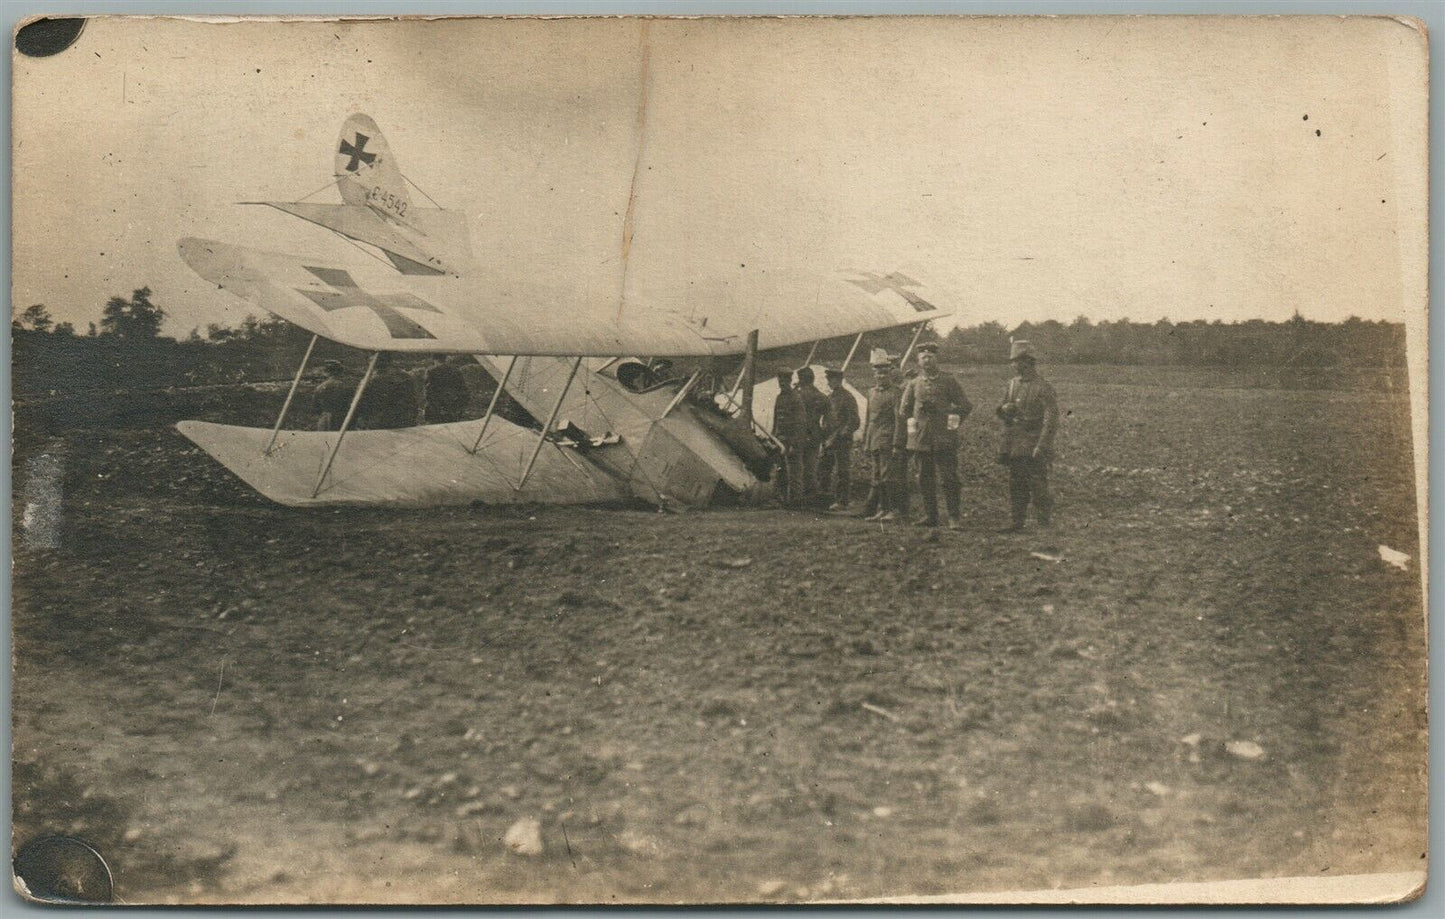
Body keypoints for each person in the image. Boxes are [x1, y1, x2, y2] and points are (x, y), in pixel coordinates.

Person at [896, 340, 972, 528]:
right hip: (921, 440)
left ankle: (954, 517)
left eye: (930, 357)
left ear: (936, 359)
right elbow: (904, 411)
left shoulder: (948, 381)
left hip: (944, 439)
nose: (927, 361)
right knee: (924, 478)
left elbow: (965, 406)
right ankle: (931, 516)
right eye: (923, 358)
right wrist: (914, 429)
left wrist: (950, 424)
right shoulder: (914, 384)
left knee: (949, 479)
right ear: (918, 361)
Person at [996, 340, 1059, 532]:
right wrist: (1004, 409)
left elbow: (1051, 420)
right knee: (1016, 484)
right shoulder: (1012, 384)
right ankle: (1017, 522)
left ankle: (1043, 524)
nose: (1013, 365)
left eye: (1016, 361)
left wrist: (1042, 446)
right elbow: (1001, 410)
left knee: (1038, 484)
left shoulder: (1043, 387)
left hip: (1033, 444)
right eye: (1013, 361)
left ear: (1027, 362)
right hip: (1014, 443)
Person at [860, 349, 908, 521]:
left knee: (888, 476)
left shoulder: (895, 393)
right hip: (874, 439)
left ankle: (893, 510)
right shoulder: (871, 392)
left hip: (888, 439)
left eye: (884, 373)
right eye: (878, 373)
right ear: (874, 374)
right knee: (877, 476)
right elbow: (868, 419)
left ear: (889, 374)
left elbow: (899, 420)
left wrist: (897, 443)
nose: (881, 376)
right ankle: (882, 508)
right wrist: (866, 442)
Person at [819, 367, 860, 511]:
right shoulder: (830, 397)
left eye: (833, 380)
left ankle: (843, 500)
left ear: (839, 380)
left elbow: (854, 421)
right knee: (825, 468)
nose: (830, 382)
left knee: (842, 471)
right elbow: (827, 420)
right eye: (829, 380)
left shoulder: (848, 397)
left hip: (842, 441)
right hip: (829, 440)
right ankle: (825, 498)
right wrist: (824, 437)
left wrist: (841, 435)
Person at [770, 369, 807, 505]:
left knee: (794, 471)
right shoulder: (780, 397)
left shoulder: (795, 398)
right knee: (781, 471)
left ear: (789, 381)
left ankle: (796, 499)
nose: (782, 384)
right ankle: (782, 498)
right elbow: (776, 419)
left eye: (784, 382)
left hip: (791, 440)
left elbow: (800, 423)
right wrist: (773, 436)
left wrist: (794, 444)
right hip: (780, 439)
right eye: (780, 382)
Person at [793, 366, 829, 504]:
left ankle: (796, 497)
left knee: (796, 467)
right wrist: (822, 435)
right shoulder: (822, 396)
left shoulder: (797, 396)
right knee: (811, 466)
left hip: (798, 434)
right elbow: (829, 421)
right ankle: (811, 496)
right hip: (814, 434)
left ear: (801, 379)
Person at [357, 353, 419, 429]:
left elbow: (362, 401)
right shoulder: (405, 376)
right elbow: (412, 400)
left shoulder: (371, 380)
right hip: (403, 420)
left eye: (371, 360)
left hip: (380, 422)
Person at [423, 354, 471, 424]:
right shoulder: (456, 371)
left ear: (434, 360)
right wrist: (459, 407)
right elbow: (463, 391)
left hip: (436, 410)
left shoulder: (431, 371)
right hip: (452, 408)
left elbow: (428, 392)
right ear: (445, 359)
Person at [312, 359, 353, 431]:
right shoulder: (346, 387)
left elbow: (315, 408)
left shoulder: (320, 387)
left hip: (325, 420)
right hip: (341, 419)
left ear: (326, 372)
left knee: (324, 440)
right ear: (340, 372)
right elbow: (350, 405)